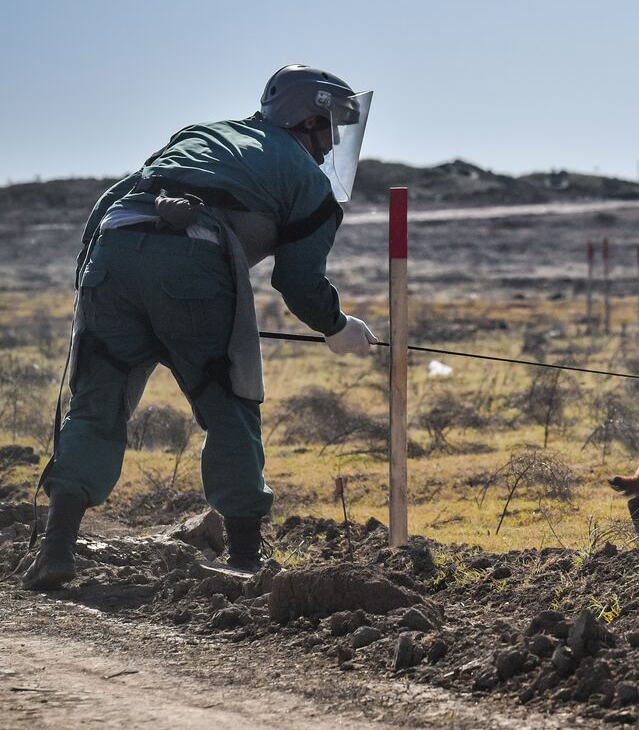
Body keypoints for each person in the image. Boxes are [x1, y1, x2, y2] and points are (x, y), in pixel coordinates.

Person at [23, 65, 378, 591]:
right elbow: (300, 281)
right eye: (331, 131)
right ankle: (244, 563)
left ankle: (55, 553)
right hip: (194, 263)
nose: (331, 149)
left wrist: (99, 287)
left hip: (109, 256)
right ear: (310, 119)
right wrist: (336, 326)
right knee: (227, 401)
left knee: (96, 404)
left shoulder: (202, 135)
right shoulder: (308, 179)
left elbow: (110, 202)